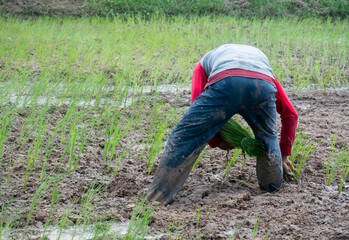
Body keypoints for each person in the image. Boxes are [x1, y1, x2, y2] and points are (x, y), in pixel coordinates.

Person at [147, 44, 298, 205]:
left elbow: (199, 120)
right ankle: (272, 187)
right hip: (261, 85)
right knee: (267, 137)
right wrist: (283, 156)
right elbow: (291, 115)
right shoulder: (264, 71)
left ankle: (157, 199)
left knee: (185, 135)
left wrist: (216, 142)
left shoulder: (202, 66)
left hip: (226, 83)